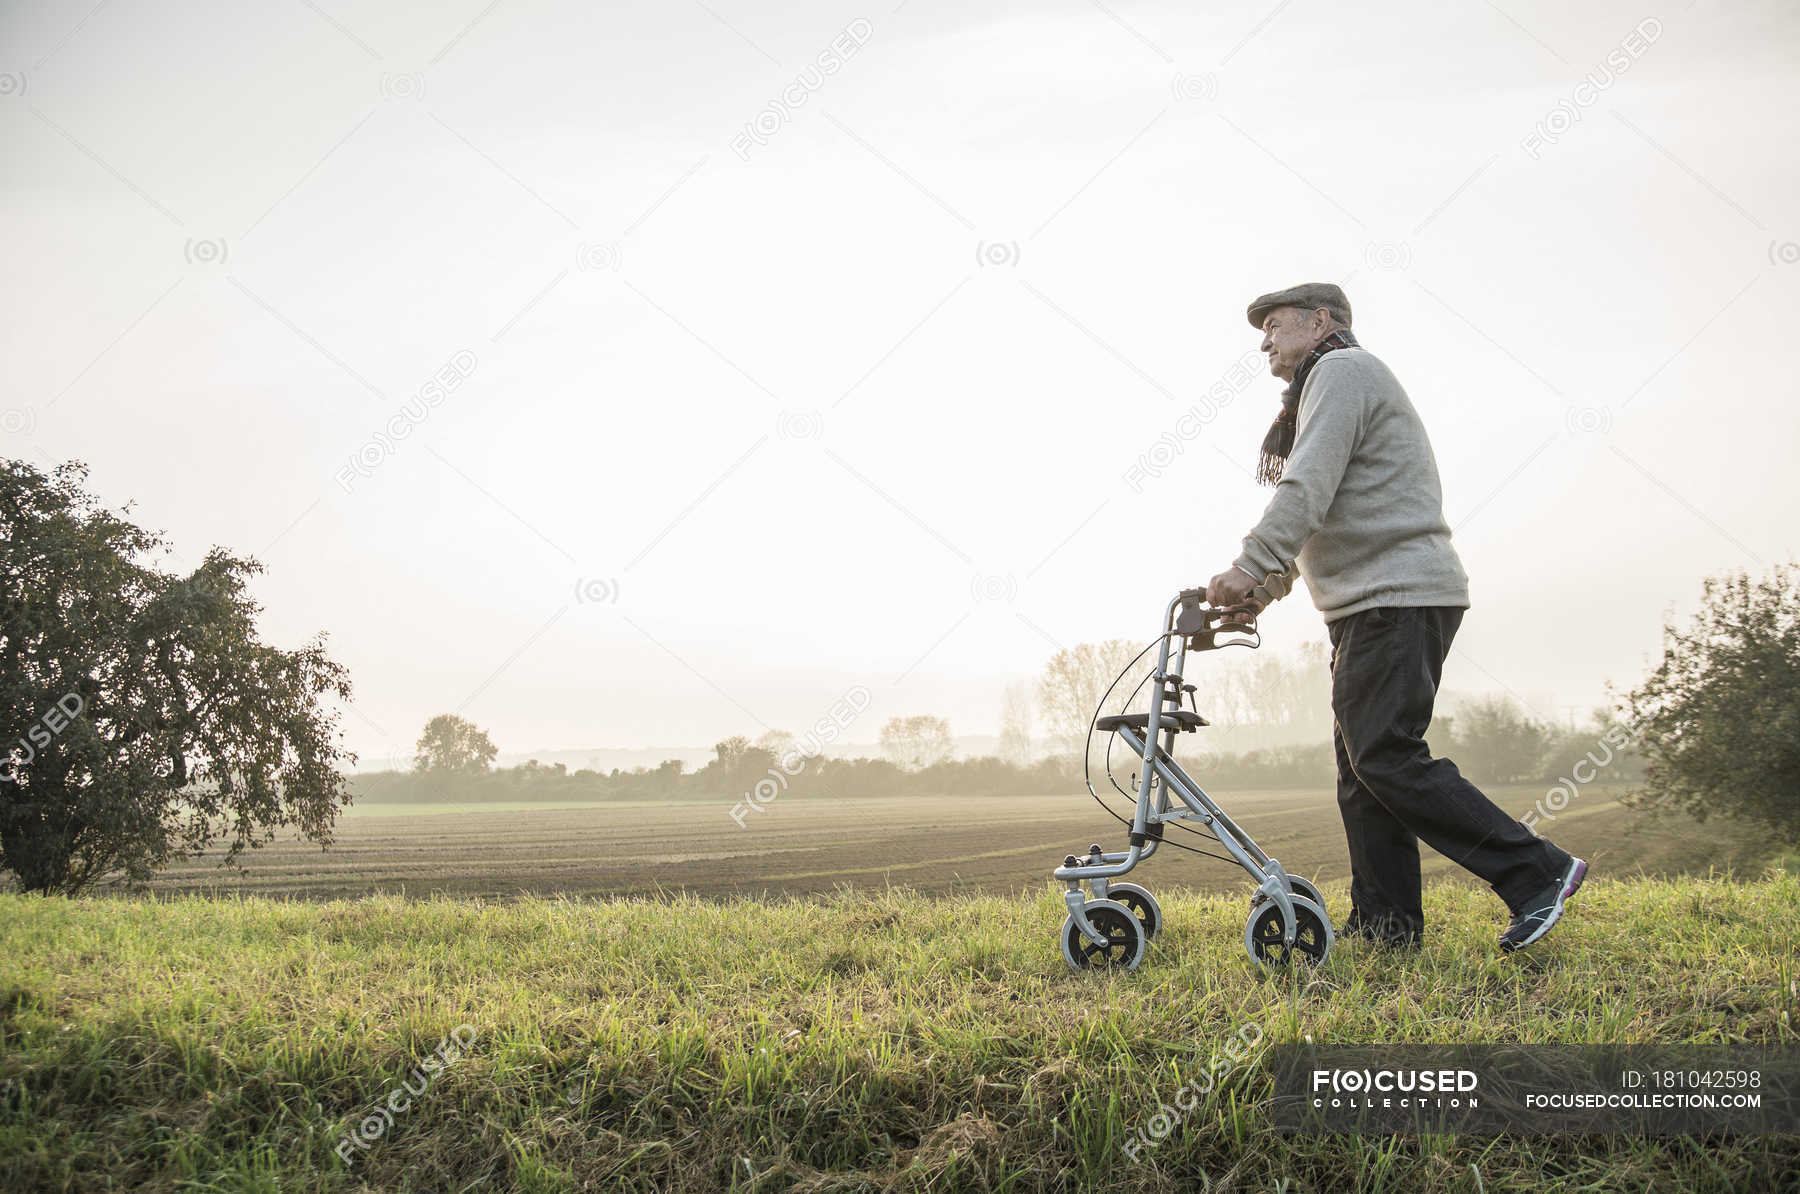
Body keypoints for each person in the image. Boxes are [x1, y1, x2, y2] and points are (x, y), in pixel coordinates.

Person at [1203, 281, 1586, 953]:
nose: (1264, 340)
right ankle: (1386, 926)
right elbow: (1322, 513)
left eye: (1275, 325)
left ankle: (1538, 874)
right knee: (1364, 771)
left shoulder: (1343, 372)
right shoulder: (1332, 382)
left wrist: (1248, 561)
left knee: (1384, 753)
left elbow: (1307, 487)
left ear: (1320, 321)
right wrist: (1259, 591)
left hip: (1396, 597)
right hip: (1376, 603)